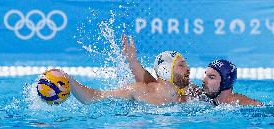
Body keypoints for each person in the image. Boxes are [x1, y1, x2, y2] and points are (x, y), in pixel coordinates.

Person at [122, 34, 263, 106]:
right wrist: (133, 61)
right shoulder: (196, 94)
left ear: (225, 82)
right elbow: (156, 86)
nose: (204, 79)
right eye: (206, 75)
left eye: (211, 77)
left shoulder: (237, 103)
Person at [67, 35, 199, 105]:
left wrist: (133, 62)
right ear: (165, 70)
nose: (188, 68)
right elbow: (94, 97)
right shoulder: (140, 91)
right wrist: (69, 81)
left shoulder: (190, 96)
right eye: (181, 65)